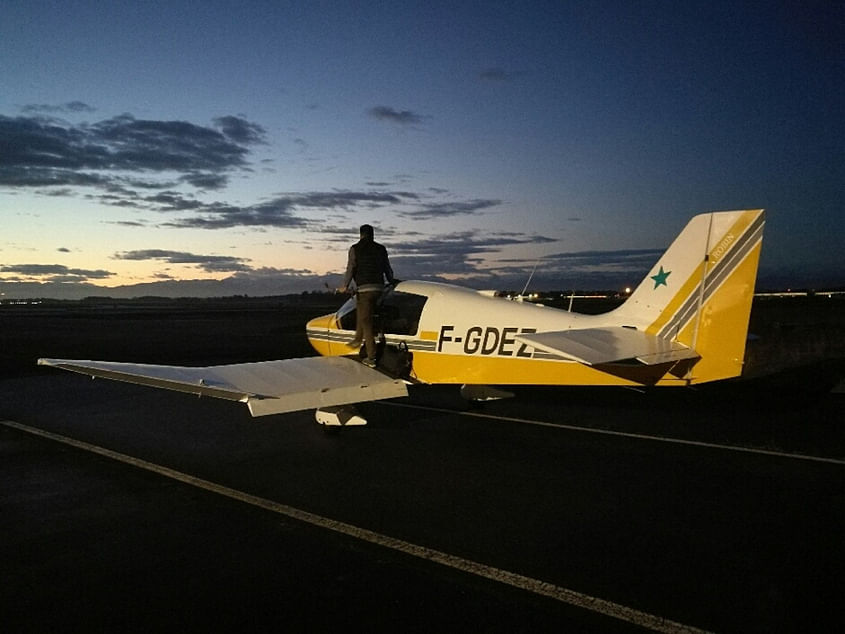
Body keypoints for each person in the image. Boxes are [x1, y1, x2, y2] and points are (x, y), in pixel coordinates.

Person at [338, 224, 396, 366]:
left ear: (361, 235)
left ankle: (371, 357)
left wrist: (345, 286)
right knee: (362, 309)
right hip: (379, 288)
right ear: (372, 234)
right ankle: (358, 338)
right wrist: (391, 281)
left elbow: (351, 267)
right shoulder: (381, 249)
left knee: (366, 322)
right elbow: (387, 268)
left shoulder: (355, 249)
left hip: (365, 290)